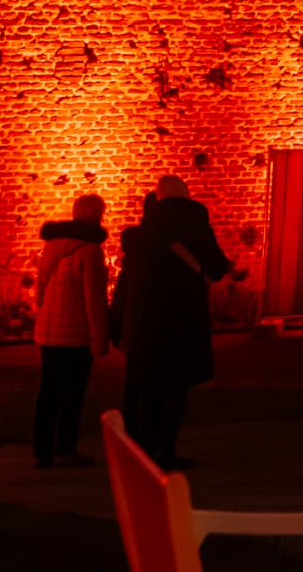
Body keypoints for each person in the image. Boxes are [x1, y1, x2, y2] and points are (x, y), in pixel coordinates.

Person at [116, 174, 237, 470]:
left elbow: (126, 284)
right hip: (181, 321)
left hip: (145, 325)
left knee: (149, 390)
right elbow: (216, 265)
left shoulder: (142, 235)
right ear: (185, 195)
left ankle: (143, 449)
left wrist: (118, 324)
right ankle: (166, 451)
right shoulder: (192, 222)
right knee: (175, 391)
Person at [29, 193, 111, 468]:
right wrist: (100, 338)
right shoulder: (90, 250)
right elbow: (94, 299)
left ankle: (43, 450)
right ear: (97, 215)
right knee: (73, 393)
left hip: (49, 331)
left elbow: (40, 291)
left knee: (48, 391)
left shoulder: (51, 246)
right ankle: (65, 447)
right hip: (75, 332)